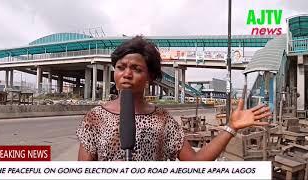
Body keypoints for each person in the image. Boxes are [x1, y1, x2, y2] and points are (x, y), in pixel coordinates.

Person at [76, 36, 271, 161]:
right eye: (121, 67)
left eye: (136, 69)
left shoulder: (164, 120)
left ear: (150, 77)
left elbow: (194, 164)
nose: (126, 74)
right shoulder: (95, 118)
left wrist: (231, 127)